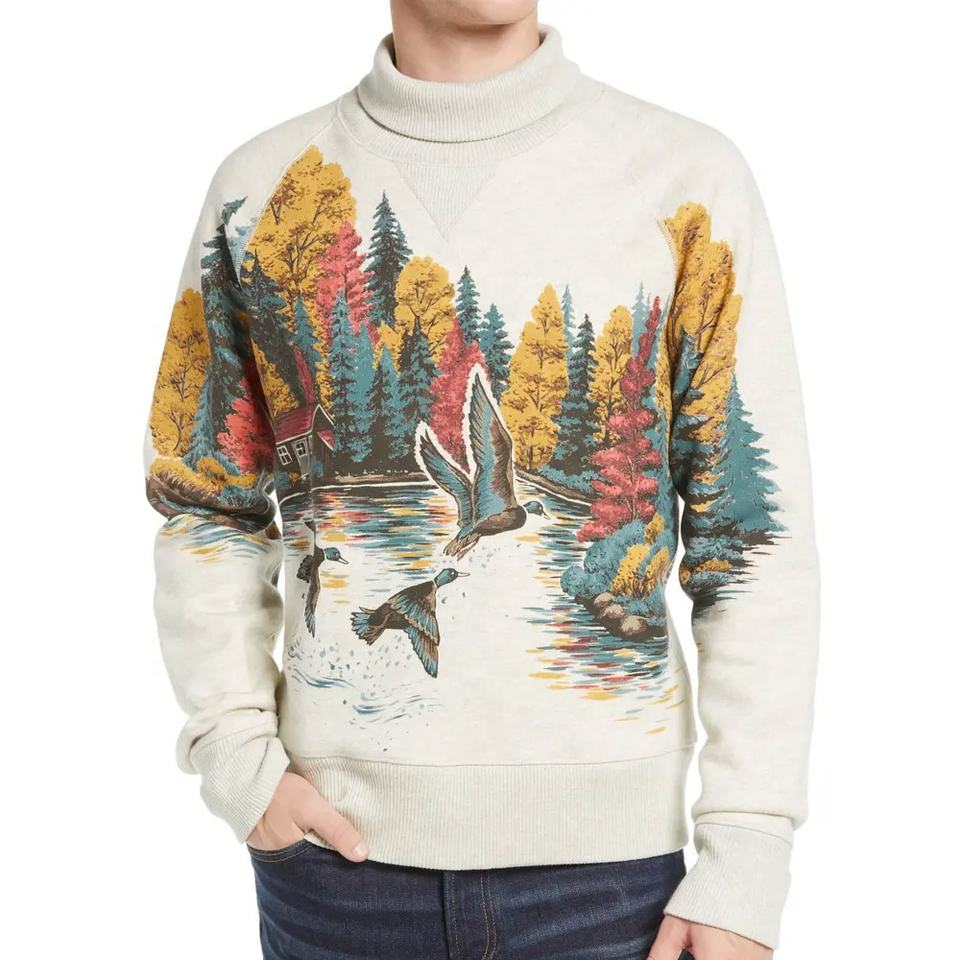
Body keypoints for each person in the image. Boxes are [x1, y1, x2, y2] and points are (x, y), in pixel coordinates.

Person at [143, 1, 818, 957]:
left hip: (616, 890)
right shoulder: (258, 190)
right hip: (336, 880)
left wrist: (747, 854)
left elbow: (749, 542)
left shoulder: (686, 179)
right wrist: (237, 762)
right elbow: (205, 503)